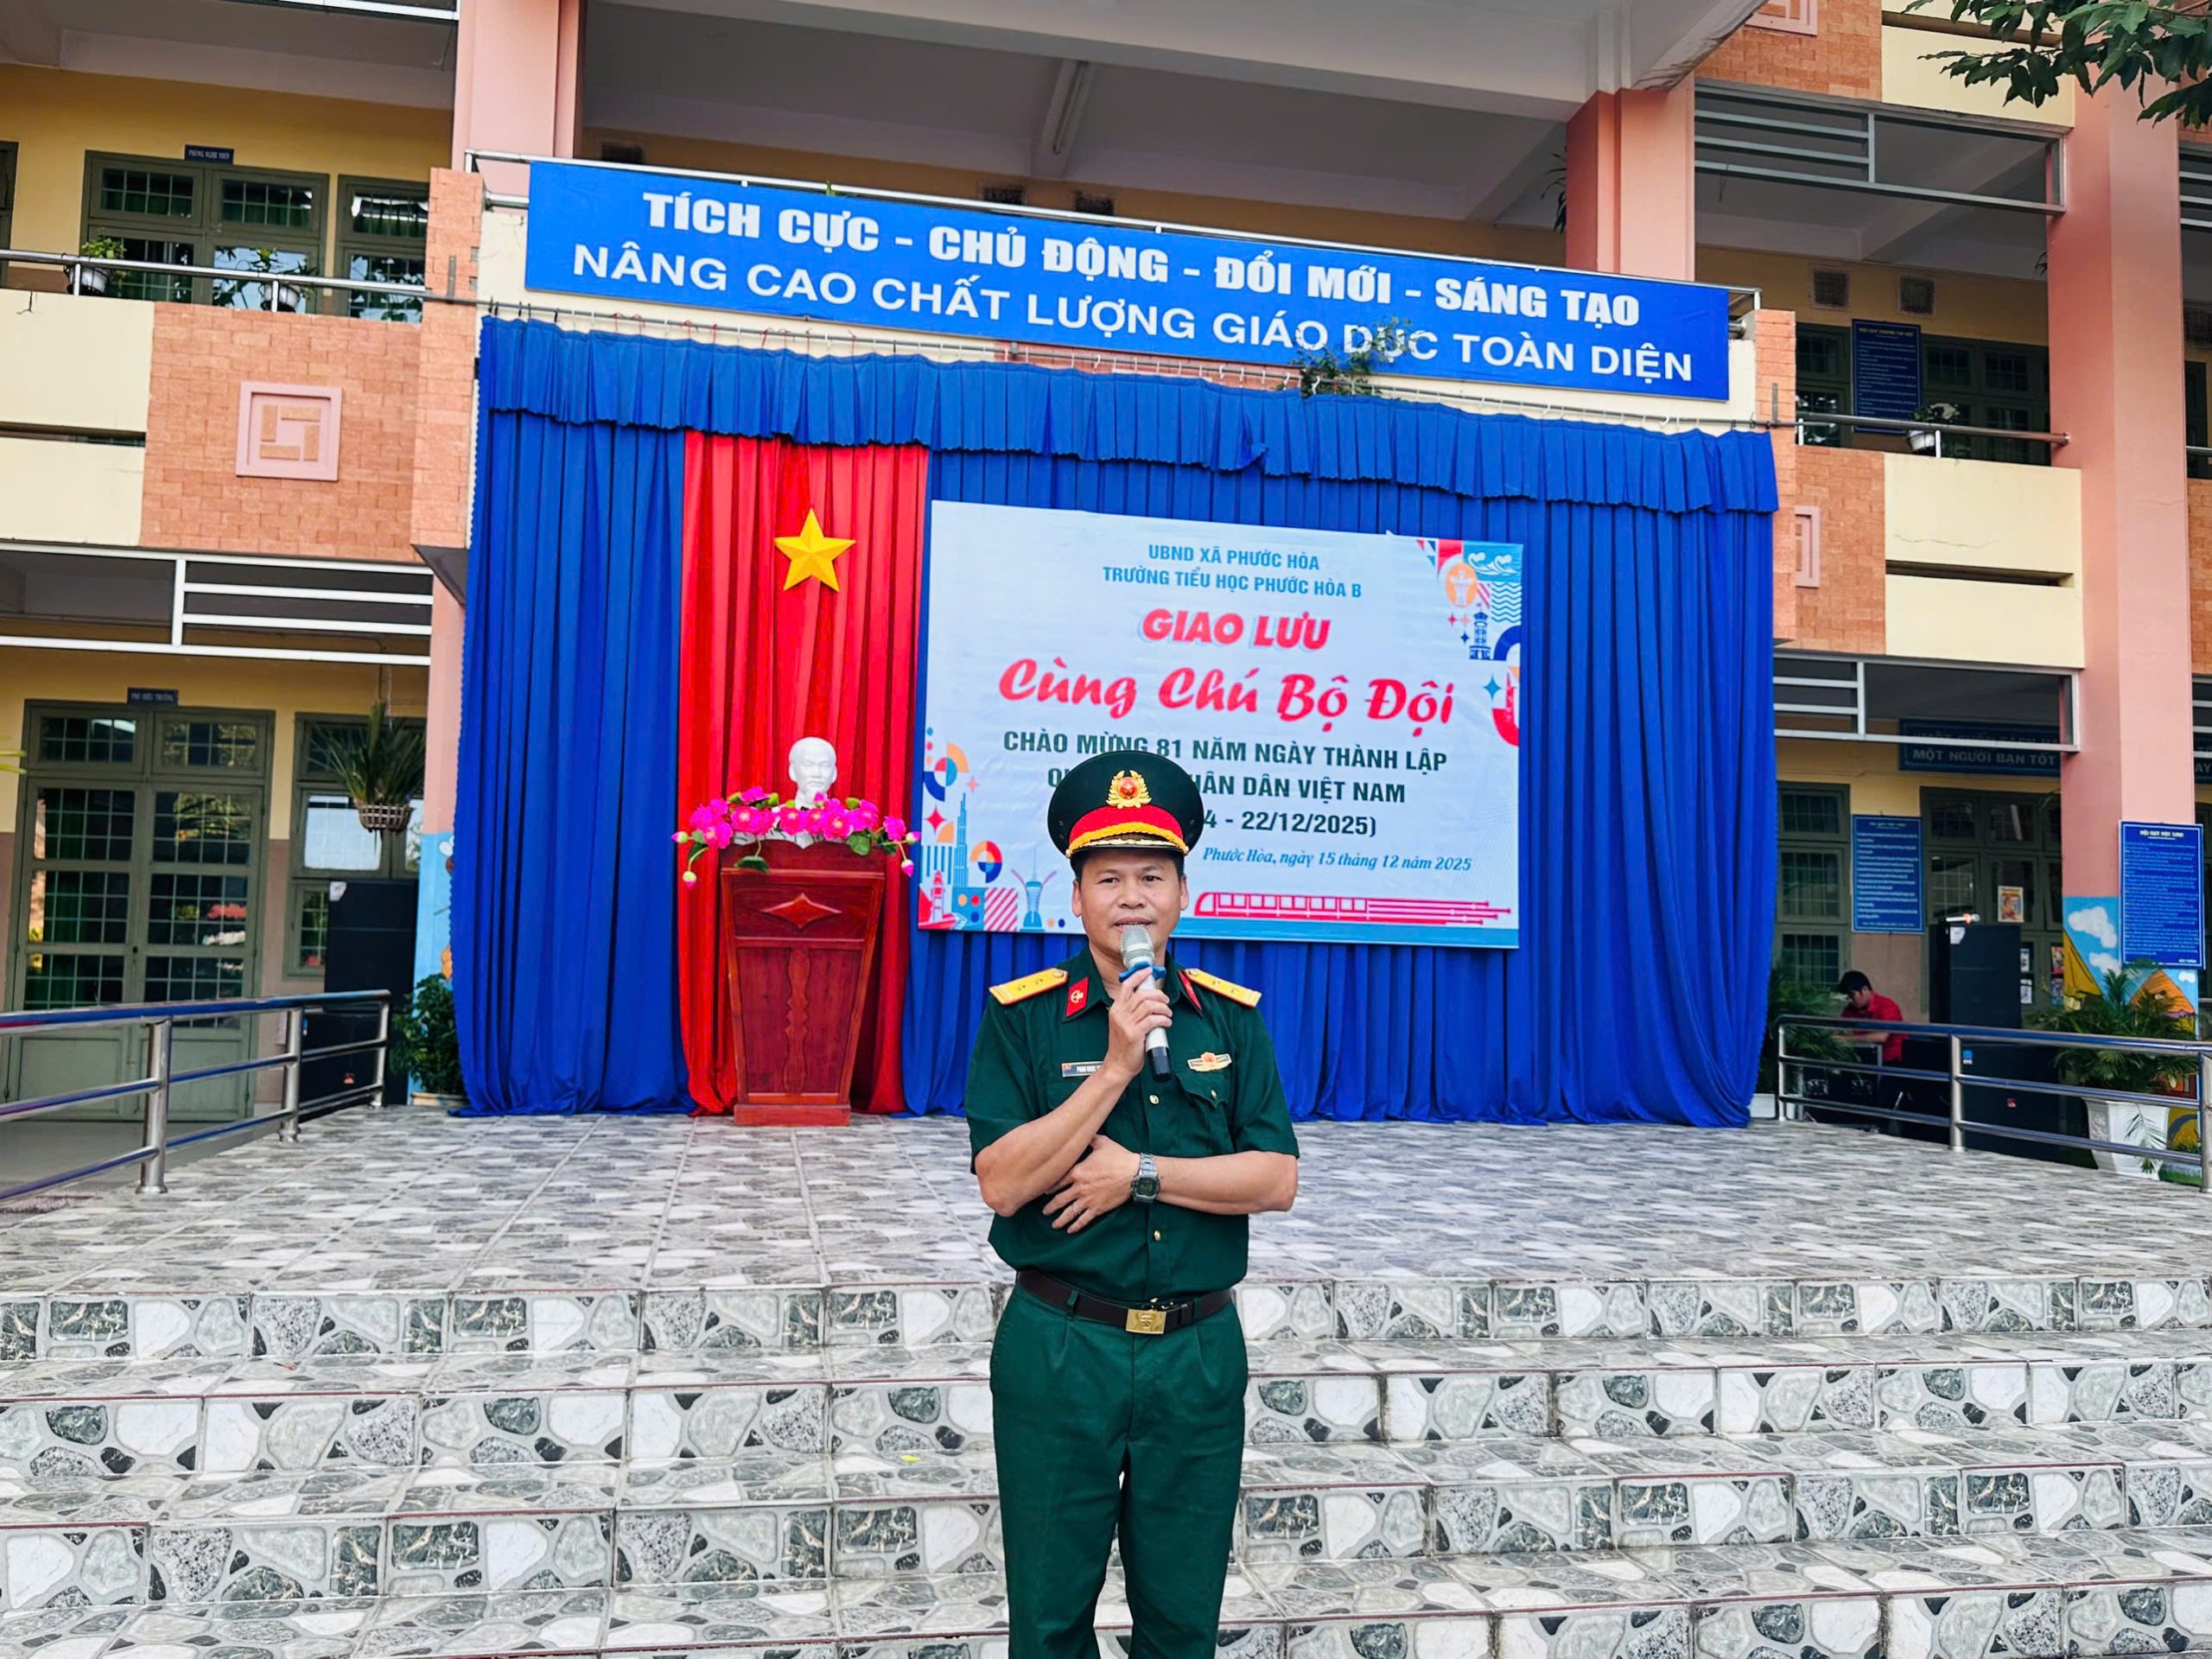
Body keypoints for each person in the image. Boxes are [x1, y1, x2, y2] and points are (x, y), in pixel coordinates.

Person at [965, 749, 1300, 1659]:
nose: (1131, 898)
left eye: (1152, 876)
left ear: (1183, 893)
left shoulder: (1229, 1019)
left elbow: (1274, 1178)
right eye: (1108, 879)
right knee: (1048, 1620)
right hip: (1061, 1349)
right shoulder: (1022, 1017)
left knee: (1183, 1623)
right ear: (1075, 899)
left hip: (1196, 1354)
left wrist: (1139, 1173)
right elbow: (1003, 1181)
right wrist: (1114, 1068)